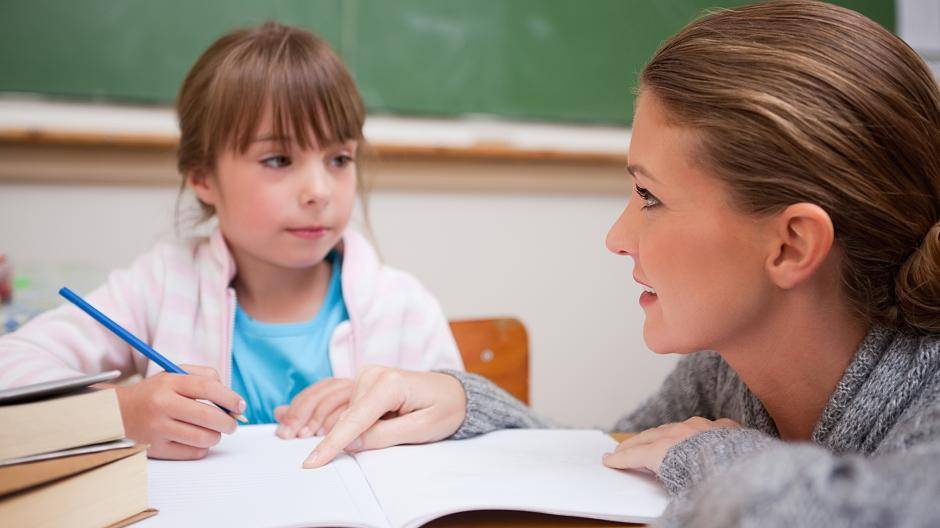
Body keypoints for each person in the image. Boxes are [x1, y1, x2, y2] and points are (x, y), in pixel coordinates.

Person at [302, 2, 940, 525]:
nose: (616, 237)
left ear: (791, 245)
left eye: (648, 197)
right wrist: (465, 404)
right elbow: (616, 456)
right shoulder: (725, 369)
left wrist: (718, 454)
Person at [0, 22, 463, 460]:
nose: (320, 191)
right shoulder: (162, 284)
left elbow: (487, 427)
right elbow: (10, 365)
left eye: (339, 159)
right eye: (279, 159)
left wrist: (457, 398)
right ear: (203, 177)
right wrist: (122, 412)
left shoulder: (402, 306)